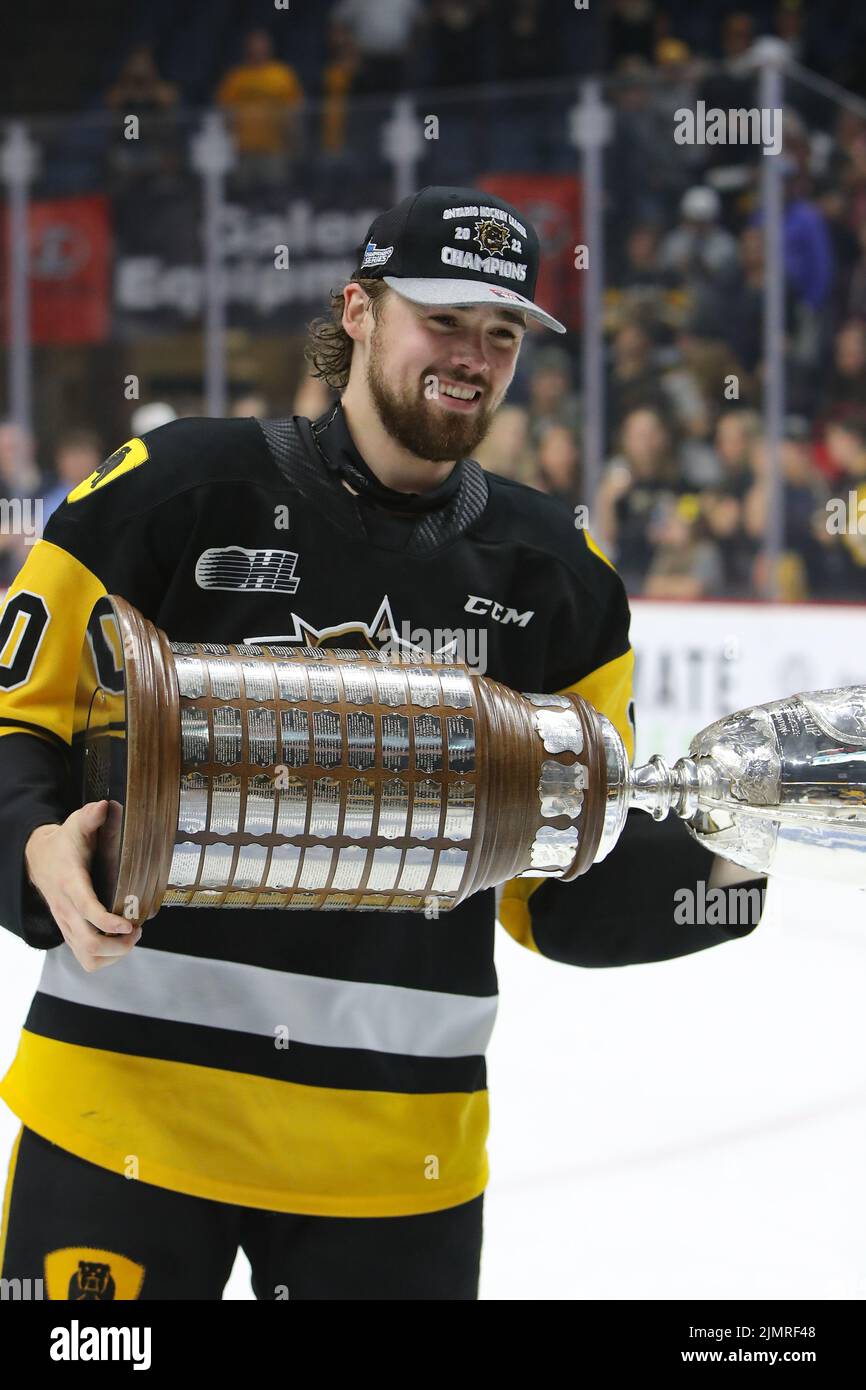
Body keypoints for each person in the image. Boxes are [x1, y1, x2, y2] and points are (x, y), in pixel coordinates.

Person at [0, 186, 764, 1302]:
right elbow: (14, 715)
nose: (474, 356)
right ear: (356, 310)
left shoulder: (557, 575)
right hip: (120, 1119)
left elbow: (558, 891)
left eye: (501, 333)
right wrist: (31, 848)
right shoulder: (175, 487)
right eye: (443, 319)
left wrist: (749, 856)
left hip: (394, 1170)